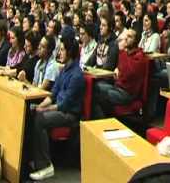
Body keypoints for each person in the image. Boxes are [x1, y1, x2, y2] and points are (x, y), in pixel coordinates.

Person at [28, 36, 85, 181]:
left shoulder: (77, 75)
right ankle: (32, 158)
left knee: (40, 119)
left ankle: (45, 166)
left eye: (62, 50)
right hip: (59, 109)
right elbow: (52, 95)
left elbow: (64, 105)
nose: (59, 53)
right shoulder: (64, 70)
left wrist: (43, 111)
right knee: (30, 111)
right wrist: (38, 106)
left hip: (69, 115)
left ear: (70, 52)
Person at [91, 29, 146, 119]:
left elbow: (128, 74)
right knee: (93, 87)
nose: (126, 39)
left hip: (127, 94)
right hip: (117, 87)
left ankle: (105, 121)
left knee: (98, 94)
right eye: (126, 36)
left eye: (130, 37)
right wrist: (118, 69)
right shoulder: (125, 53)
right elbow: (120, 71)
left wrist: (121, 52)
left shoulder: (139, 56)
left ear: (136, 40)